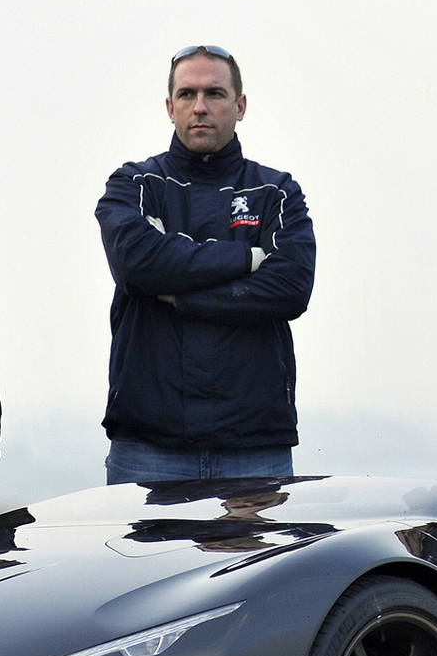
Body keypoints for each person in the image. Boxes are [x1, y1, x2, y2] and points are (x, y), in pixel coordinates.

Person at [96, 45, 316, 484]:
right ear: (170, 107)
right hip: (148, 448)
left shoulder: (277, 192)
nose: (200, 107)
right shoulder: (134, 184)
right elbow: (137, 264)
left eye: (214, 93)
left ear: (240, 106)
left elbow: (291, 286)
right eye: (187, 94)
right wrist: (247, 256)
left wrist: (181, 295)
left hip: (255, 448)